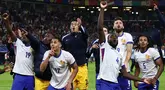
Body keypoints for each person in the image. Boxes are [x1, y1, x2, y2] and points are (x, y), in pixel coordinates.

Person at [97, 2, 150, 90]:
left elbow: (126, 74)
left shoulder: (120, 55)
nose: (118, 24)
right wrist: (102, 9)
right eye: (116, 23)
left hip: (120, 73)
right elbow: (99, 28)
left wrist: (142, 79)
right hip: (105, 81)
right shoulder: (104, 44)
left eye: (120, 23)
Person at [3, 13, 34, 90]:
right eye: (22, 34)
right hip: (19, 76)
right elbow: (10, 32)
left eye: (25, 34)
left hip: (30, 76)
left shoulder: (34, 47)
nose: (23, 35)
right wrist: (6, 22)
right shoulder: (19, 43)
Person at [62, 18, 88, 90]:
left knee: (83, 88)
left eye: (75, 24)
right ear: (70, 27)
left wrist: (81, 25)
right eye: (72, 24)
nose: (73, 26)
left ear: (78, 27)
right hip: (71, 68)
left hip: (82, 67)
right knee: (70, 88)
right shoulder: (65, 38)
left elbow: (86, 34)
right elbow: (63, 52)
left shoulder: (83, 36)